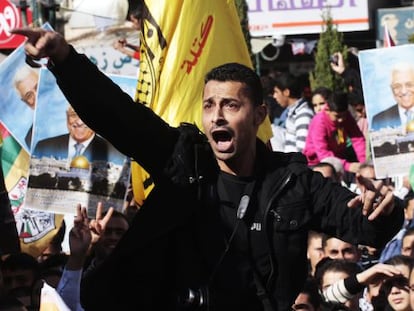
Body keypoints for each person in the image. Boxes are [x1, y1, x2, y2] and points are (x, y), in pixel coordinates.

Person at [12, 27, 405, 311]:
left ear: (259, 115)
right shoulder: (184, 161)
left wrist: (386, 212)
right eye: (209, 106)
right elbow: (118, 116)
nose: (217, 116)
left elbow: (365, 224)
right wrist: (64, 58)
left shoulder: (293, 183)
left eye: (231, 106)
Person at [32, 105, 124, 163]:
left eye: (87, 116)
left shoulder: (114, 154)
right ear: (67, 117)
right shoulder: (43, 147)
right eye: (74, 115)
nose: (79, 122)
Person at [303, 92, 366, 174]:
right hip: (319, 164)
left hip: (340, 157)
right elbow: (322, 153)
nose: (341, 120)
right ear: (327, 110)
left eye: (344, 116)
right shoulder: (319, 122)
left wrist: (364, 163)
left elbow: (357, 139)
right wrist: (348, 166)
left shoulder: (347, 116)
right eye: (337, 116)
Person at [272, 72, 315, 152]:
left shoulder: (303, 114)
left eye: (276, 92)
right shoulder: (293, 112)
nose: (274, 96)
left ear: (286, 92)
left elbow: (303, 149)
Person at [371, 62, 414, 131]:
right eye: (397, 86)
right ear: (391, 89)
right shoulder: (379, 120)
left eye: (409, 85)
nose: (404, 91)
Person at [13, 65, 39, 148]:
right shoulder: (31, 139)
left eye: (37, 87)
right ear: (26, 103)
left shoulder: (71, 98)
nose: (37, 95)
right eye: (29, 95)